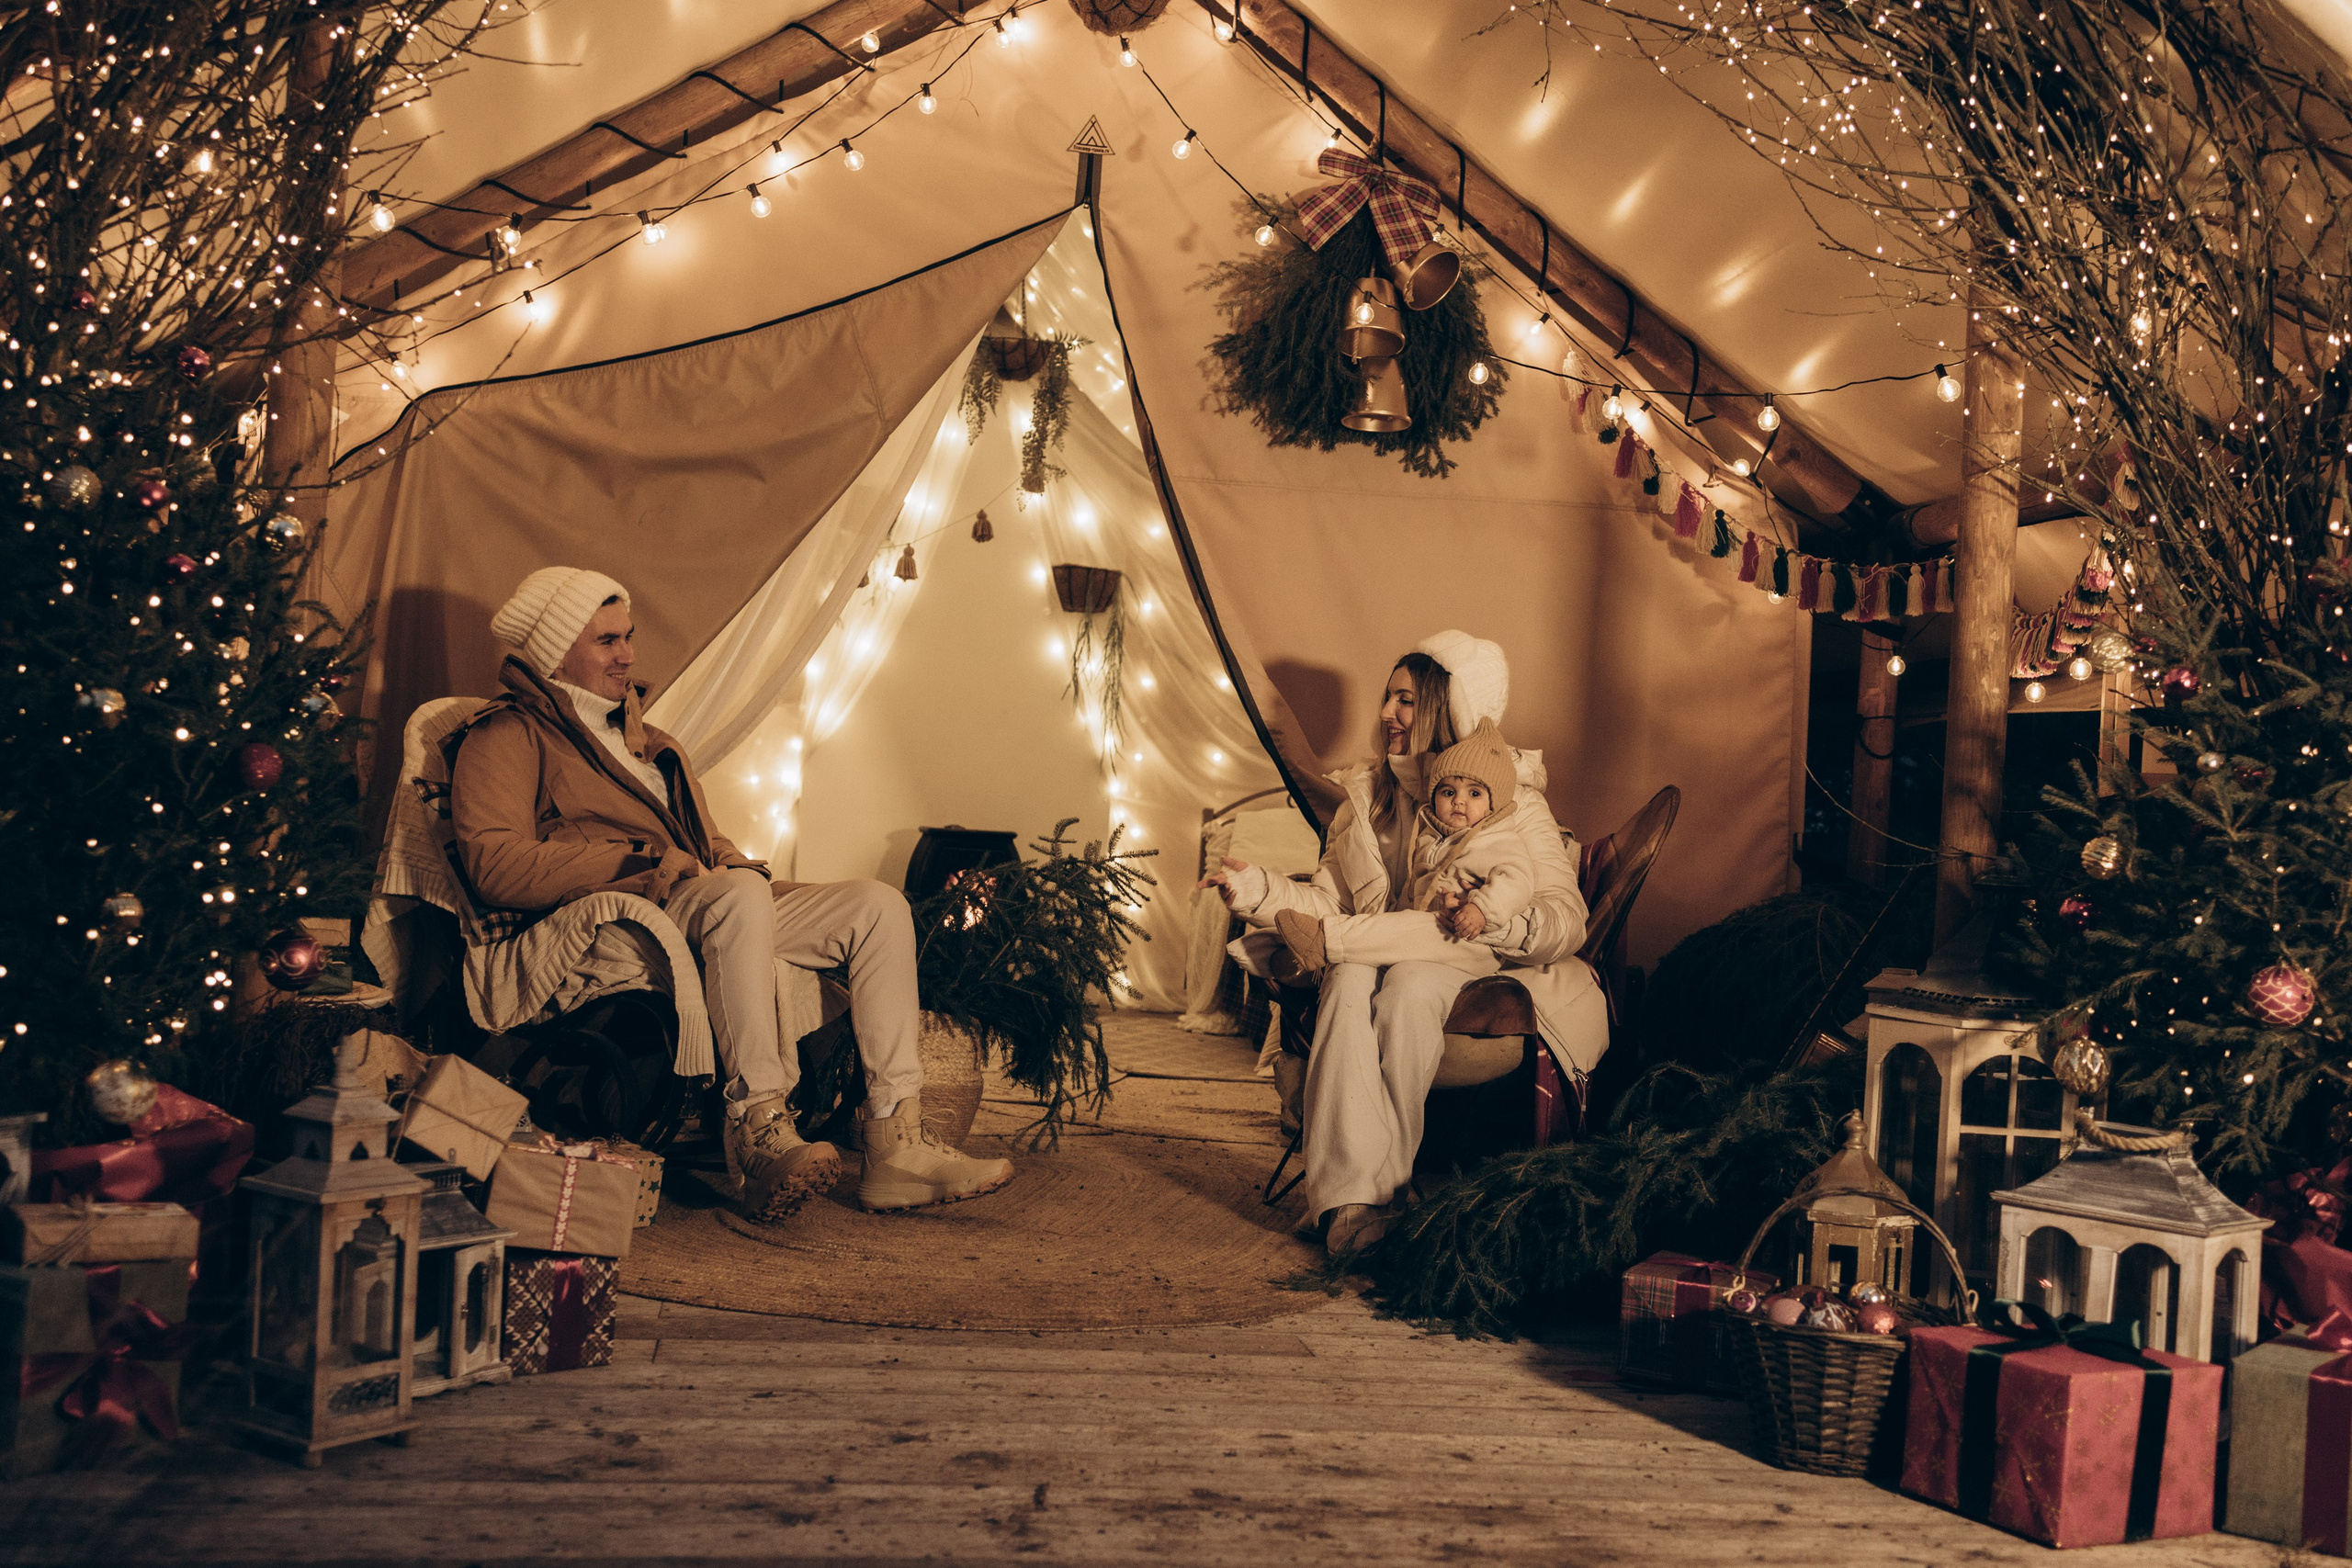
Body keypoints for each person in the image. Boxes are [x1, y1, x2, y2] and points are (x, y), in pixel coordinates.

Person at [447, 566, 1014, 1224]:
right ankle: (760, 1125)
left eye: (627, 637)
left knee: (877, 906)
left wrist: (730, 860)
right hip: (621, 913)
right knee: (737, 897)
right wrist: (641, 863)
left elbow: (707, 842)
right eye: (607, 641)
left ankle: (895, 1141)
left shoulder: (653, 746)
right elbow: (493, 862)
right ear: (554, 652)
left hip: (701, 897)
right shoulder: (507, 736)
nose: (628, 655)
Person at [1202, 632, 1607, 1255]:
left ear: (1450, 710)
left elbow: (1565, 918)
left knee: (1407, 982)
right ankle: (1348, 1208)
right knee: (1349, 975)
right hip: (1366, 956)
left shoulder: (1514, 804)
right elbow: (1324, 902)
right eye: (1388, 699)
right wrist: (1254, 889)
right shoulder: (1365, 802)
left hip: (1465, 967)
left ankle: (1384, 1190)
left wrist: (1483, 917)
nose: (1387, 714)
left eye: (1406, 701)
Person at [1271, 716, 1532, 980]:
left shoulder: (1498, 840)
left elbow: (1517, 881)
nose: (1459, 801)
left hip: (1473, 942)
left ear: (1493, 805)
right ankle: (1308, 950)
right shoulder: (1429, 834)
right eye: (1448, 792)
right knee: (1384, 943)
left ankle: (1325, 939)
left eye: (1474, 794)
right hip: (1434, 935)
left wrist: (1481, 910)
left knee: (1409, 926)